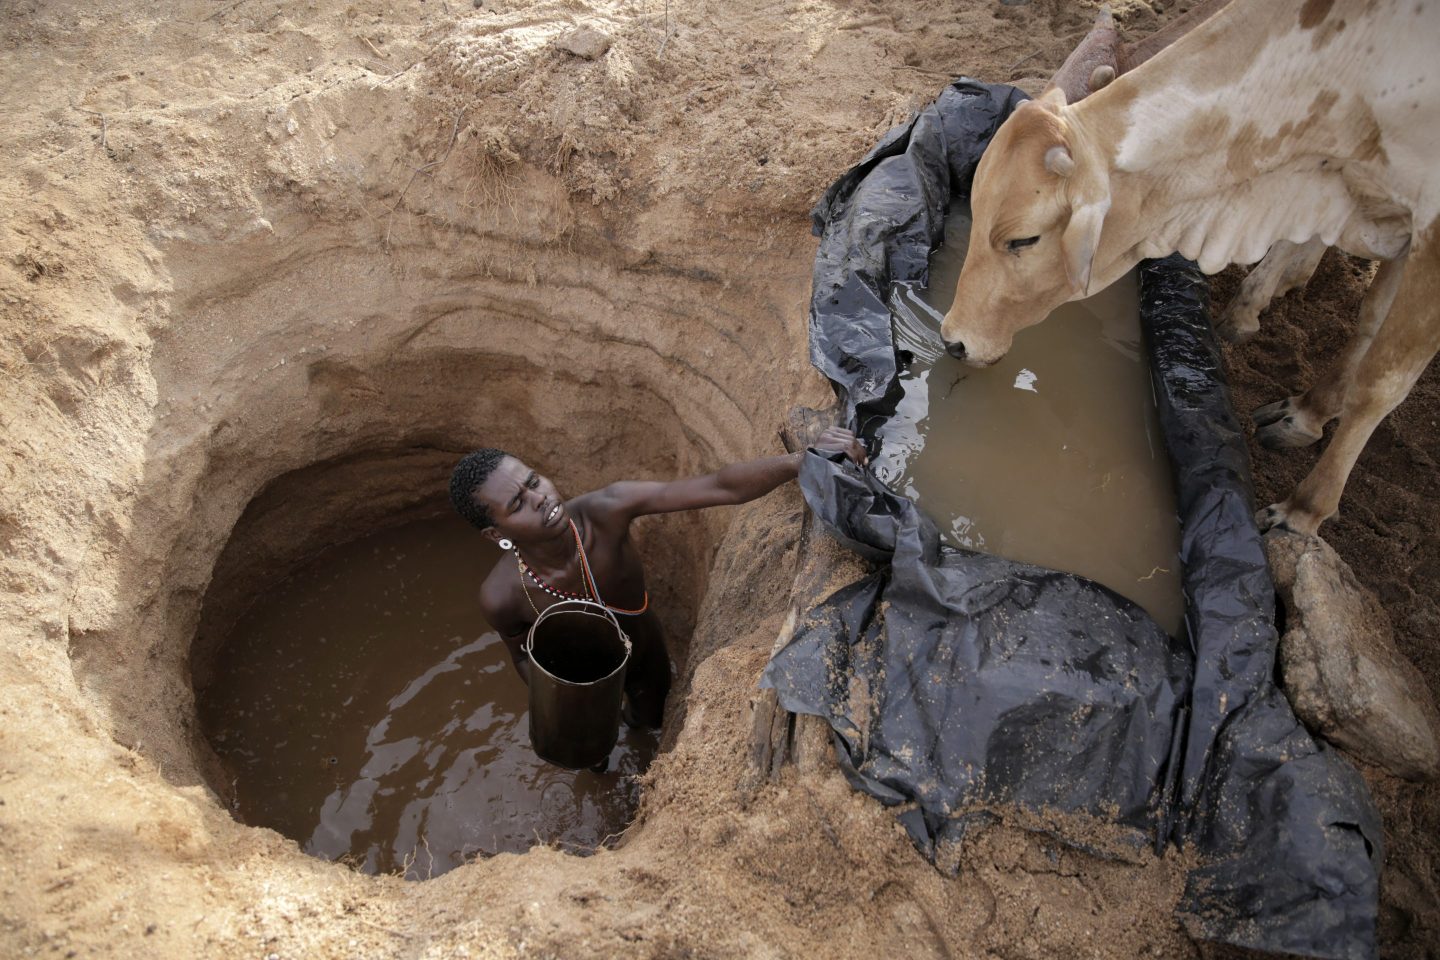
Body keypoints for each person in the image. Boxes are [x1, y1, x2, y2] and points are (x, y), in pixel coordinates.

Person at [448, 427, 867, 729]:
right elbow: (521, 655)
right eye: (519, 502)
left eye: (534, 481)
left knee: (650, 724)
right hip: (579, 688)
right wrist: (563, 700)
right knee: (585, 755)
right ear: (495, 533)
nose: (542, 499)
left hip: (646, 656)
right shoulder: (501, 596)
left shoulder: (606, 511)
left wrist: (800, 460)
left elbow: (719, 487)